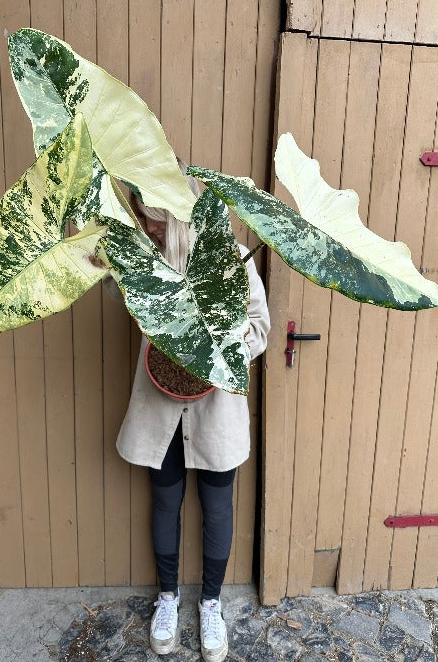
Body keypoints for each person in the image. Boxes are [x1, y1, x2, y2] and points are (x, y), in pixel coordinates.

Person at [113, 161, 270, 662]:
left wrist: (222, 346)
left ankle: (210, 605)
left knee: (218, 506)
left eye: (154, 218)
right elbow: (129, 300)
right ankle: (167, 598)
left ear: (177, 213)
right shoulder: (143, 258)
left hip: (215, 407)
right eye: (142, 217)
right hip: (160, 405)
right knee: (165, 501)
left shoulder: (233, 257)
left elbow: (259, 327)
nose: (148, 226)